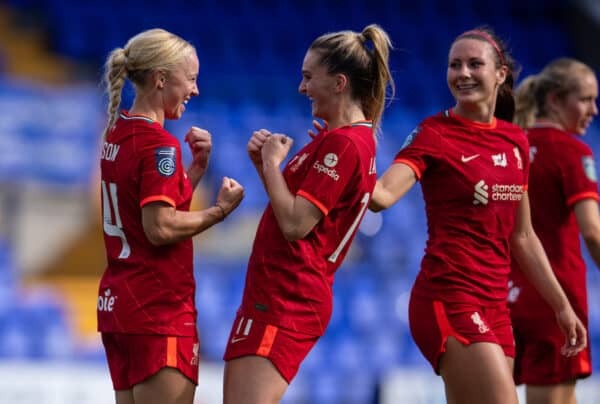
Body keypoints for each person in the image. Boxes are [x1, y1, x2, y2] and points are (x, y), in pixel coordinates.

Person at [369, 27, 588, 404]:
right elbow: (382, 196)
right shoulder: (434, 133)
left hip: (495, 306)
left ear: (500, 74)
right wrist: (349, 138)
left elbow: (523, 237)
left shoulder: (515, 140)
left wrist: (562, 306)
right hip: (447, 297)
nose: (463, 73)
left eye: (474, 64)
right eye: (454, 65)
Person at [222, 24, 394, 403]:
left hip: (286, 297)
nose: (301, 87)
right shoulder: (341, 140)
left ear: (339, 83)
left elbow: (295, 225)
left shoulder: (343, 145)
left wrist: (270, 165)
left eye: (308, 76)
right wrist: (264, 166)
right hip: (277, 293)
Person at [97, 28, 244, 404]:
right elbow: (159, 227)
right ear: (161, 79)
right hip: (157, 310)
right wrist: (219, 211)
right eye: (191, 79)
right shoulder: (159, 144)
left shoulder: (118, 133)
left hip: (120, 305)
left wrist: (193, 171)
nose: (195, 90)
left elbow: (146, 206)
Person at [508, 58, 600, 404]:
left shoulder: (511, 146)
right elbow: (593, 232)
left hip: (507, 296)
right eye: (586, 99)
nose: (593, 109)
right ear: (555, 100)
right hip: (557, 301)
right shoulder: (573, 152)